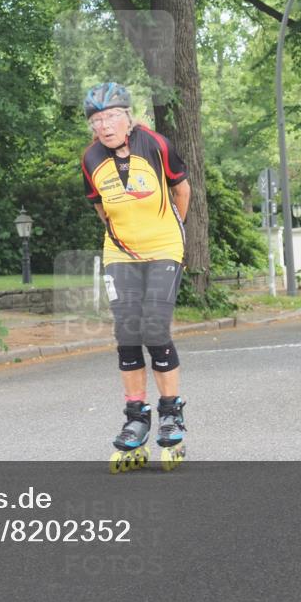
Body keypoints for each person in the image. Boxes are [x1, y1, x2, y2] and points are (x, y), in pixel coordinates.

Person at [80, 82, 192, 471]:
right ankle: (135, 417)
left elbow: (181, 189)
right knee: (128, 333)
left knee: (155, 329)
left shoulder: (157, 145)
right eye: (97, 120)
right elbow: (100, 208)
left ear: (127, 116)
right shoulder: (90, 159)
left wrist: (173, 229)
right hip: (119, 253)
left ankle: (170, 412)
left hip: (164, 247)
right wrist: (122, 239)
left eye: (112, 116)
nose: (105, 126)